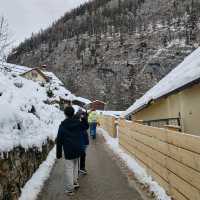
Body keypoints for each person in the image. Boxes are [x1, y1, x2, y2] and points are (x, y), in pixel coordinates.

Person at [56, 106, 89, 196]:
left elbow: (59, 140)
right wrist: (84, 118)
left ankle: (70, 189)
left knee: (69, 169)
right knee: (75, 166)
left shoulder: (62, 125)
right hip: (78, 149)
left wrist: (58, 153)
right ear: (73, 113)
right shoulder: (78, 123)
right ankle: (74, 182)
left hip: (69, 151)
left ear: (65, 114)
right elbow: (86, 126)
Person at [74, 109, 89, 175]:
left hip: (79, 140)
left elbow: (86, 126)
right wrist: (84, 119)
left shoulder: (75, 120)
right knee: (82, 155)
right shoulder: (80, 121)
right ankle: (81, 168)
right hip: (82, 140)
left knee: (79, 155)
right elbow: (86, 127)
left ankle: (79, 169)